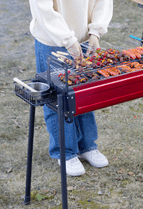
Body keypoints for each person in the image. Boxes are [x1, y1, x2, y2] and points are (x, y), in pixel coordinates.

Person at [28, 0, 113, 176]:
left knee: (83, 93)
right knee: (57, 98)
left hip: (84, 38)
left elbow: (102, 2)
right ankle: (65, 153)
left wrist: (95, 32)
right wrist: (68, 40)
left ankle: (87, 146)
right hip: (51, 40)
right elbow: (42, 8)